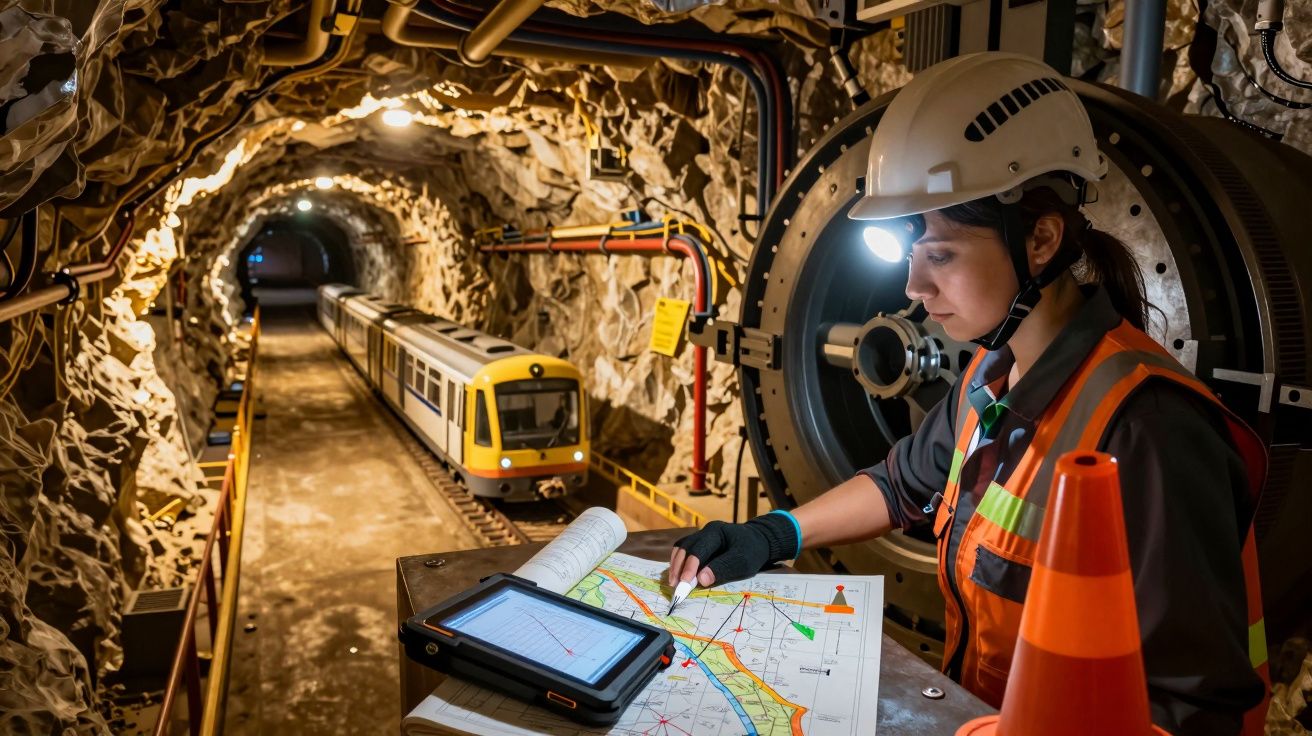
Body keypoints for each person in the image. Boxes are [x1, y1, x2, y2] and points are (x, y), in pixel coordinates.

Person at [669, 53, 1269, 736]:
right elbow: (900, 484)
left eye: (942, 256)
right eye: (911, 254)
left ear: (1039, 239)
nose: (913, 290)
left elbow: (1194, 709)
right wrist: (775, 533)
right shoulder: (991, 376)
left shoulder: (1146, 428)